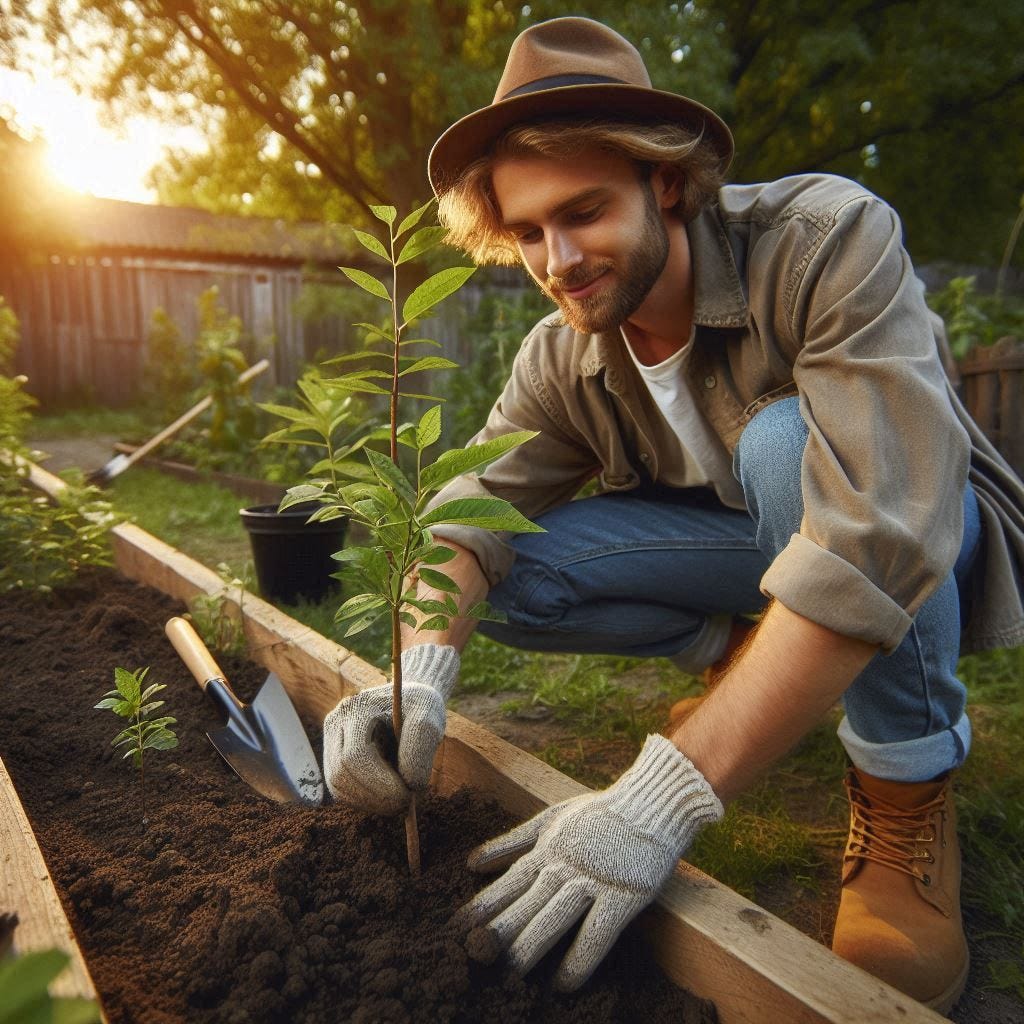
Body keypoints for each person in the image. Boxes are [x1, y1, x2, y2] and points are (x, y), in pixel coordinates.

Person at [322, 16, 1024, 1013]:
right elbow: (465, 512)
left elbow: (883, 525)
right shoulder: (561, 353)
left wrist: (664, 797)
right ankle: (753, 651)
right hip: (750, 553)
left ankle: (906, 789)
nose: (556, 259)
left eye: (582, 211)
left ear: (662, 180)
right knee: (508, 567)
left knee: (786, 445)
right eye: (527, 232)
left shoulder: (824, 240)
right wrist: (417, 675)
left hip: (904, 531)